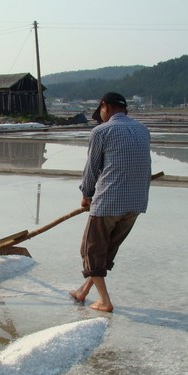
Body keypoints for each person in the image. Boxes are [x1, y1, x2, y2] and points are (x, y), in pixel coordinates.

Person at [70, 92, 151, 312]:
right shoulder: (143, 130)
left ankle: (105, 301)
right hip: (136, 203)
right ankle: (83, 291)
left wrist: (86, 195)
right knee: (104, 252)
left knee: (90, 251)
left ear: (104, 106)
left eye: (101, 112)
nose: (101, 117)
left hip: (108, 202)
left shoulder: (101, 131)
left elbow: (91, 168)